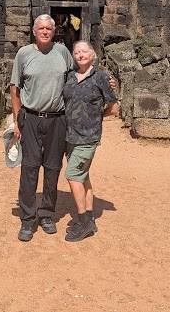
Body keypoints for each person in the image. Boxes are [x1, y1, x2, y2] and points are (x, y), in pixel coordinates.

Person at [10, 14, 73, 242]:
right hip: (31, 118)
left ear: (54, 31)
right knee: (29, 168)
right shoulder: (24, 54)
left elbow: (77, 76)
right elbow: (15, 89)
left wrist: (105, 82)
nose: (45, 31)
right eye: (41, 28)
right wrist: (17, 120)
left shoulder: (63, 52)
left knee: (53, 167)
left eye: (49, 28)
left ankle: (46, 214)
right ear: (34, 31)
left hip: (57, 118)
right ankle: (28, 218)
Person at [62, 40, 118, 242]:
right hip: (69, 135)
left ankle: (84, 222)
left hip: (87, 136)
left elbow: (113, 108)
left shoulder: (101, 78)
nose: (81, 55)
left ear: (92, 54)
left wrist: (95, 117)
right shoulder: (69, 77)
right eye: (77, 52)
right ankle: (90, 214)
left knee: (73, 176)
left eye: (84, 51)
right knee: (83, 177)